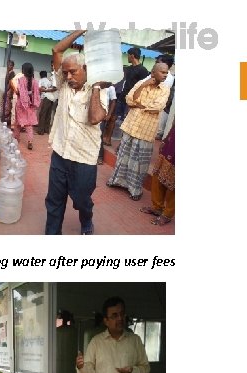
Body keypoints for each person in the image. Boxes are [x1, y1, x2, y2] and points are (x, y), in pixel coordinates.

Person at [44, 30, 109, 235]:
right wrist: (81, 28)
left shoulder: (99, 90)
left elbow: (95, 117)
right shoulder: (64, 84)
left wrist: (96, 88)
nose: (68, 77)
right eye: (65, 73)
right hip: (60, 153)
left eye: (73, 72)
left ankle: (86, 218)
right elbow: (57, 50)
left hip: (84, 158)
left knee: (82, 200)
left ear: (86, 69)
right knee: (54, 201)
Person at [106, 63, 170, 200]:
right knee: (123, 156)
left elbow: (157, 107)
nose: (165, 75)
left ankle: (134, 189)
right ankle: (116, 181)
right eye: (163, 72)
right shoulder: (142, 82)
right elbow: (129, 99)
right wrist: (143, 85)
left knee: (140, 162)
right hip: (131, 126)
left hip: (146, 131)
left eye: (167, 72)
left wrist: (139, 105)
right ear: (153, 73)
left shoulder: (165, 89)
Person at [140, 122, 175, 225]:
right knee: (157, 174)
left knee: (174, 183)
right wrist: (166, 139)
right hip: (172, 141)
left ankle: (167, 214)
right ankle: (157, 207)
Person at [12, 62, 41, 150]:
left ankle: (16, 139)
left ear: (23, 70)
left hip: (21, 105)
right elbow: (36, 94)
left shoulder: (21, 79)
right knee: (29, 125)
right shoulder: (35, 81)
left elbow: (19, 92)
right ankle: (30, 142)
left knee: (17, 123)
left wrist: (16, 91)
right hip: (30, 105)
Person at [36, 70, 57, 135]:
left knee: (42, 114)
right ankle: (46, 130)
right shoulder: (48, 80)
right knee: (48, 114)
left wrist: (44, 90)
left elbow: (39, 89)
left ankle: (40, 131)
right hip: (52, 99)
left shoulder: (41, 80)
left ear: (40, 75)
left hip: (46, 97)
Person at [1, 60, 16, 126]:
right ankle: (6, 119)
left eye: (10, 65)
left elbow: (10, 83)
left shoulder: (12, 73)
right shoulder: (9, 72)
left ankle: (6, 120)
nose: (8, 66)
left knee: (7, 105)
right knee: (6, 105)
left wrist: (6, 91)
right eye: (8, 65)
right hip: (8, 90)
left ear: (12, 66)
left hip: (9, 91)